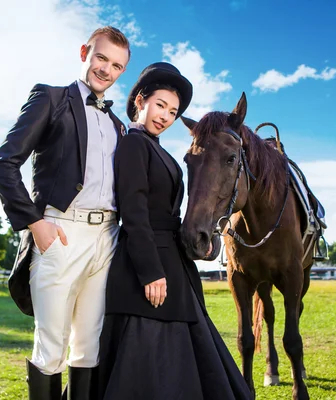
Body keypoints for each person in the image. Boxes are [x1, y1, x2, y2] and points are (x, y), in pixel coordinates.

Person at [0, 26, 130, 400]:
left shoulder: (119, 126)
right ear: (85, 52)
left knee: (88, 346)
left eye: (117, 66)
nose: (107, 70)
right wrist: (35, 224)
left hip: (107, 239)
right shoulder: (50, 99)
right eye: (101, 58)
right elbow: (4, 164)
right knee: (51, 346)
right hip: (60, 233)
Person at [98, 62, 252, 400]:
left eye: (173, 111)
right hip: (148, 267)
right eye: (160, 106)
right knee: (149, 361)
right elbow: (134, 213)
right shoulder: (133, 144)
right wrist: (150, 272)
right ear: (140, 101)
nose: (165, 116)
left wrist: (200, 243)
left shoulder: (157, 148)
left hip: (173, 262)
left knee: (185, 360)